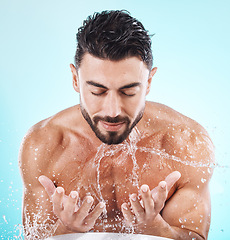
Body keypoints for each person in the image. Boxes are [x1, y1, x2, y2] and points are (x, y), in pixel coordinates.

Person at [19, 10, 215, 240]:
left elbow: (196, 237)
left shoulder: (186, 143)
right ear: (75, 79)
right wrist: (66, 229)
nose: (112, 111)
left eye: (128, 92)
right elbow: (33, 237)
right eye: (97, 91)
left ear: (149, 82)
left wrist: (156, 228)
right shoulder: (45, 144)